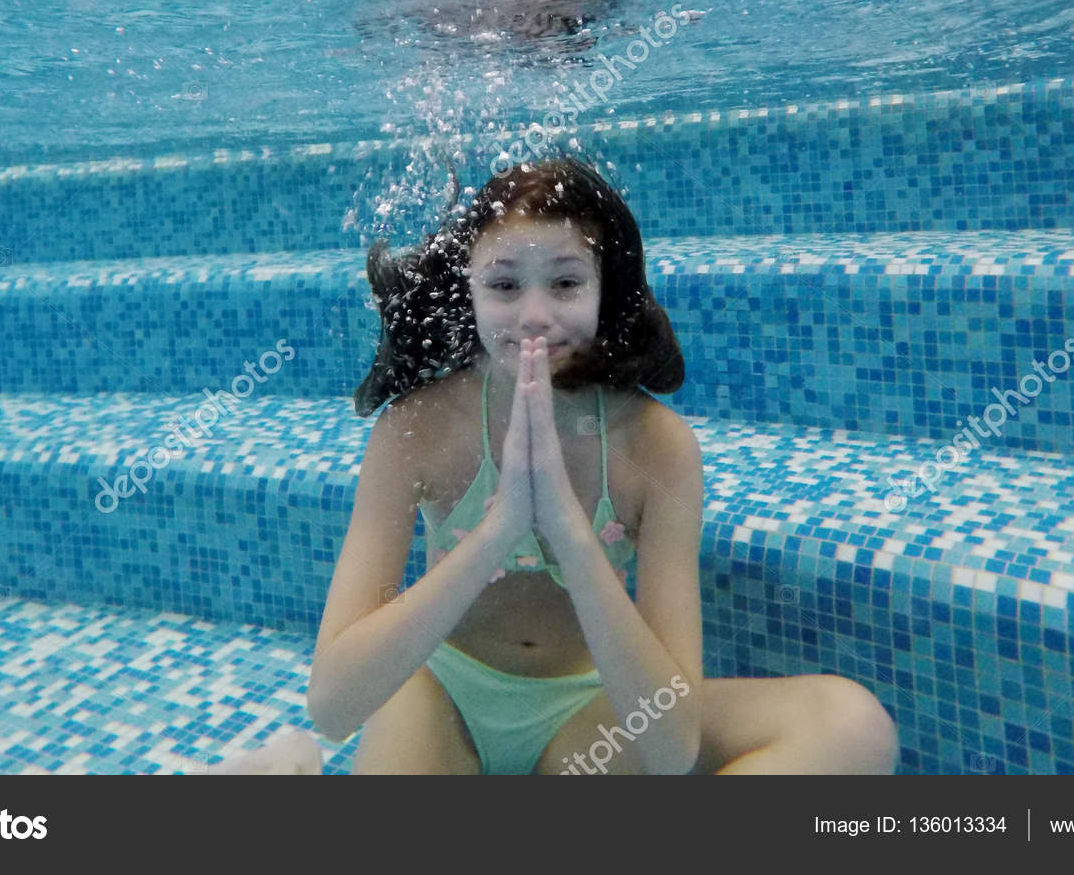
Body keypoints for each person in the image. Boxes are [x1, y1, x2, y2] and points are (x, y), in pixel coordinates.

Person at [305, 155, 899, 773]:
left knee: (853, 729)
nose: (535, 316)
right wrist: (497, 532)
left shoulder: (655, 446)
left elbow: (671, 748)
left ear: (603, 289)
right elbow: (333, 706)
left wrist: (567, 528)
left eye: (565, 283)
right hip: (442, 697)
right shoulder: (416, 429)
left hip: (590, 715)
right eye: (504, 285)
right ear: (469, 291)